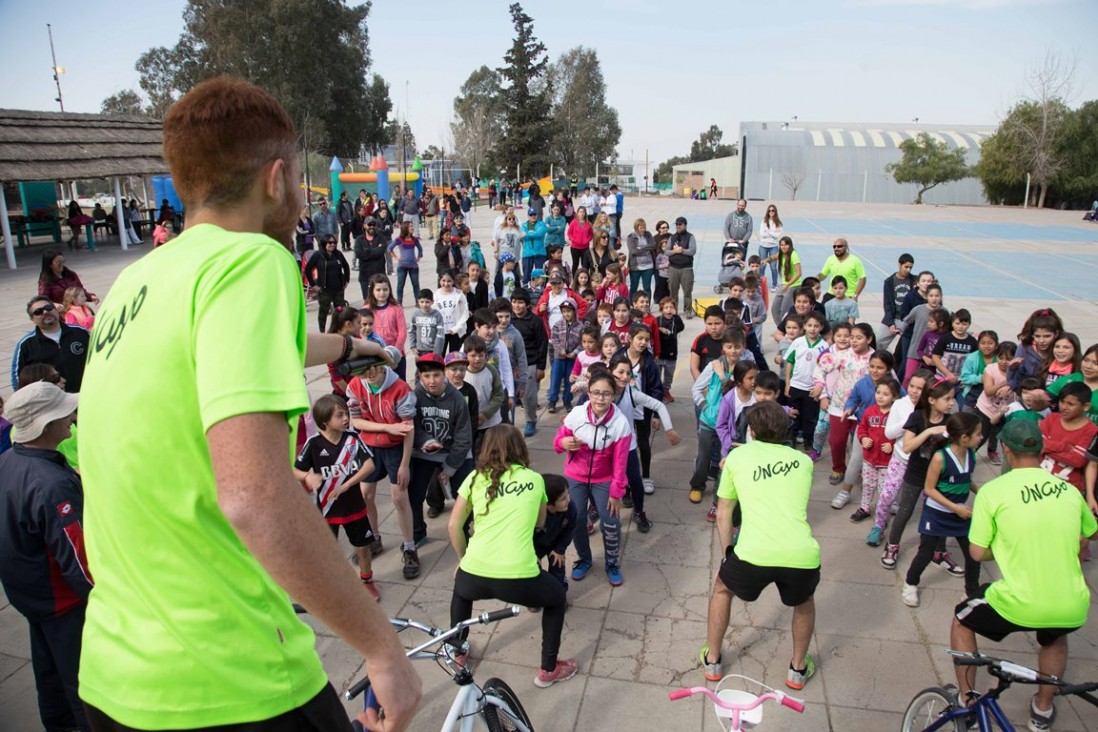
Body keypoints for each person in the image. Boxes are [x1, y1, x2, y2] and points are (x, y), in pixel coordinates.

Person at [75, 77, 418, 731]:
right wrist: (381, 647)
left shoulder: (135, 284)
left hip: (116, 678)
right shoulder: (252, 262)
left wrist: (352, 346)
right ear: (278, 178)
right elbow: (253, 499)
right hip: (232, 680)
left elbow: (275, 345)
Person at [950, 419, 1097, 732]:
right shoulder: (1069, 490)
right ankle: (1042, 709)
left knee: (962, 619)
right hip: (1071, 602)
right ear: (1041, 450)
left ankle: (967, 700)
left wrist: (1005, 544)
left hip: (1020, 600)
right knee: (1055, 636)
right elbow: (1090, 534)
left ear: (1006, 449)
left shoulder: (992, 491)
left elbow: (977, 552)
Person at [700, 401, 820, 690]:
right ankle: (797, 669)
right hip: (800, 554)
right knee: (804, 602)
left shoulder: (736, 458)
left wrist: (728, 552)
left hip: (752, 553)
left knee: (722, 589)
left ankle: (713, 660)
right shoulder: (804, 461)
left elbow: (725, 512)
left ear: (751, 431)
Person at [447, 426, 577, 687]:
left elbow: (453, 526)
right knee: (556, 598)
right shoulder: (535, 479)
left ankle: (457, 652)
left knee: (461, 591)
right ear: (521, 448)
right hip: (519, 576)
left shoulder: (473, 477)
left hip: (475, 572)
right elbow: (539, 523)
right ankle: (548, 670)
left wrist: (463, 560)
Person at [0, 382, 89, 732]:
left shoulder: (9, 461)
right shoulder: (50, 482)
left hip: (32, 598)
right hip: (64, 603)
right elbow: (79, 559)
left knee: (50, 681)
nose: (70, 417)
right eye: (63, 412)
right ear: (46, 423)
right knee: (82, 686)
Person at [293, 395, 381, 601]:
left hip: (354, 507)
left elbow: (369, 465)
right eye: (339, 415)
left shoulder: (352, 438)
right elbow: (296, 470)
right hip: (326, 510)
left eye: (346, 414)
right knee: (327, 551)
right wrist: (308, 476)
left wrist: (346, 485)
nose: (345, 419)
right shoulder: (313, 444)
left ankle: (367, 581)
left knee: (363, 548)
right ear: (324, 420)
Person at [555, 370, 632, 586]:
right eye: (596, 393)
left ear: (614, 394)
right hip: (575, 477)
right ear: (588, 393)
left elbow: (620, 463)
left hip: (604, 479)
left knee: (610, 520)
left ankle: (612, 563)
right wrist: (563, 443)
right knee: (576, 519)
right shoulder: (576, 415)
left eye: (606, 394)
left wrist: (617, 492)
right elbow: (558, 441)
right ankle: (584, 559)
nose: (601, 398)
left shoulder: (620, 423)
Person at [901, 412, 983, 607]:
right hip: (938, 513)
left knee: (973, 554)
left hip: (960, 513)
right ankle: (910, 583)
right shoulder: (940, 457)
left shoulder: (971, 454)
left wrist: (981, 493)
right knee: (926, 553)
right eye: (978, 434)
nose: (981, 438)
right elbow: (929, 489)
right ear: (964, 437)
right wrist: (955, 508)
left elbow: (966, 479)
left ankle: (971, 592)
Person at [408, 353, 475, 548]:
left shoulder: (457, 399)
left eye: (436, 375)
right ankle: (417, 533)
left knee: (466, 495)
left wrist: (449, 468)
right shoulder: (416, 395)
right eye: (426, 376)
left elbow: (464, 438)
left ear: (444, 374)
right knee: (413, 495)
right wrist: (426, 441)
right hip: (424, 453)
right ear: (420, 376)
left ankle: (463, 531)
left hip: (454, 453)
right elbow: (412, 426)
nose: (431, 381)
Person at [11, 296, 90, 393]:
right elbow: (17, 379)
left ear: (56, 310)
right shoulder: (26, 344)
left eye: (48, 308)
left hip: (85, 394)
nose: (45, 312)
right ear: (32, 319)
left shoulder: (80, 332)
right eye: (38, 312)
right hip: (52, 401)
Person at [306, 235, 352, 332]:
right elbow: (308, 269)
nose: (332, 245)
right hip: (324, 290)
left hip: (338, 288)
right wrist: (314, 285)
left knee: (340, 312)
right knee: (323, 312)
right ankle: (322, 332)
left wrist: (346, 280)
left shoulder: (338, 254)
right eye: (329, 243)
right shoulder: (318, 255)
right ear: (324, 243)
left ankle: (338, 330)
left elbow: (346, 266)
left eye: (334, 243)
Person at [878, 253, 914, 351]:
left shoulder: (914, 280)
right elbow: (887, 304)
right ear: (899, 265)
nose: (908, 270)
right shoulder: (889, 281)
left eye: (910, 267)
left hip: (907, 319)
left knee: (906, 347)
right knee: (878, 343)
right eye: (906, 267)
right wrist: (890, 323)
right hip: (893, 318)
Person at [666, 216, 697, 318]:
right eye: (677, 225)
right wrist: (675, 251)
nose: (678, 226)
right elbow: (667, 251)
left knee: (687, 291)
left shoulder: (690, 237)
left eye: (680, 225)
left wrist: (682, 250)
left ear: (685, 225)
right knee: (673, 291)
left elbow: (692, 251)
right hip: (673, 268)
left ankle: (687, 310)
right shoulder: (672, 237)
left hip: (686, 268)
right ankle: (673, 310)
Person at [387, 221, 423, 306]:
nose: (412, 228)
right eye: (410, 226)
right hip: (402, 266)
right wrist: (396, 257)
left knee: (416, 284)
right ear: (405, 228)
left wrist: (418, 257)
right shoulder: (399, 239)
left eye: (412, 226)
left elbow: (420, 249)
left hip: (413, 266)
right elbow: (389, 248)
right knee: (400, 285)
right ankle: (399, 302)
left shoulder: (414, 239)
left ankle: (418, 301)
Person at [624, 218, 657, 295]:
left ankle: (647, 304)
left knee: (647, 288)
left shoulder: (648, 234)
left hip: (648, 266)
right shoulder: (631, 237)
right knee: (633, 287)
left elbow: (653, 245)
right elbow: (633, 251)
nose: (643, 229)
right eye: (641, 227)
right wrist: (646, 251)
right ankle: (632, 304)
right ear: (636, 227)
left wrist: (641, 248)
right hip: (636, 266)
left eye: (644, 227)